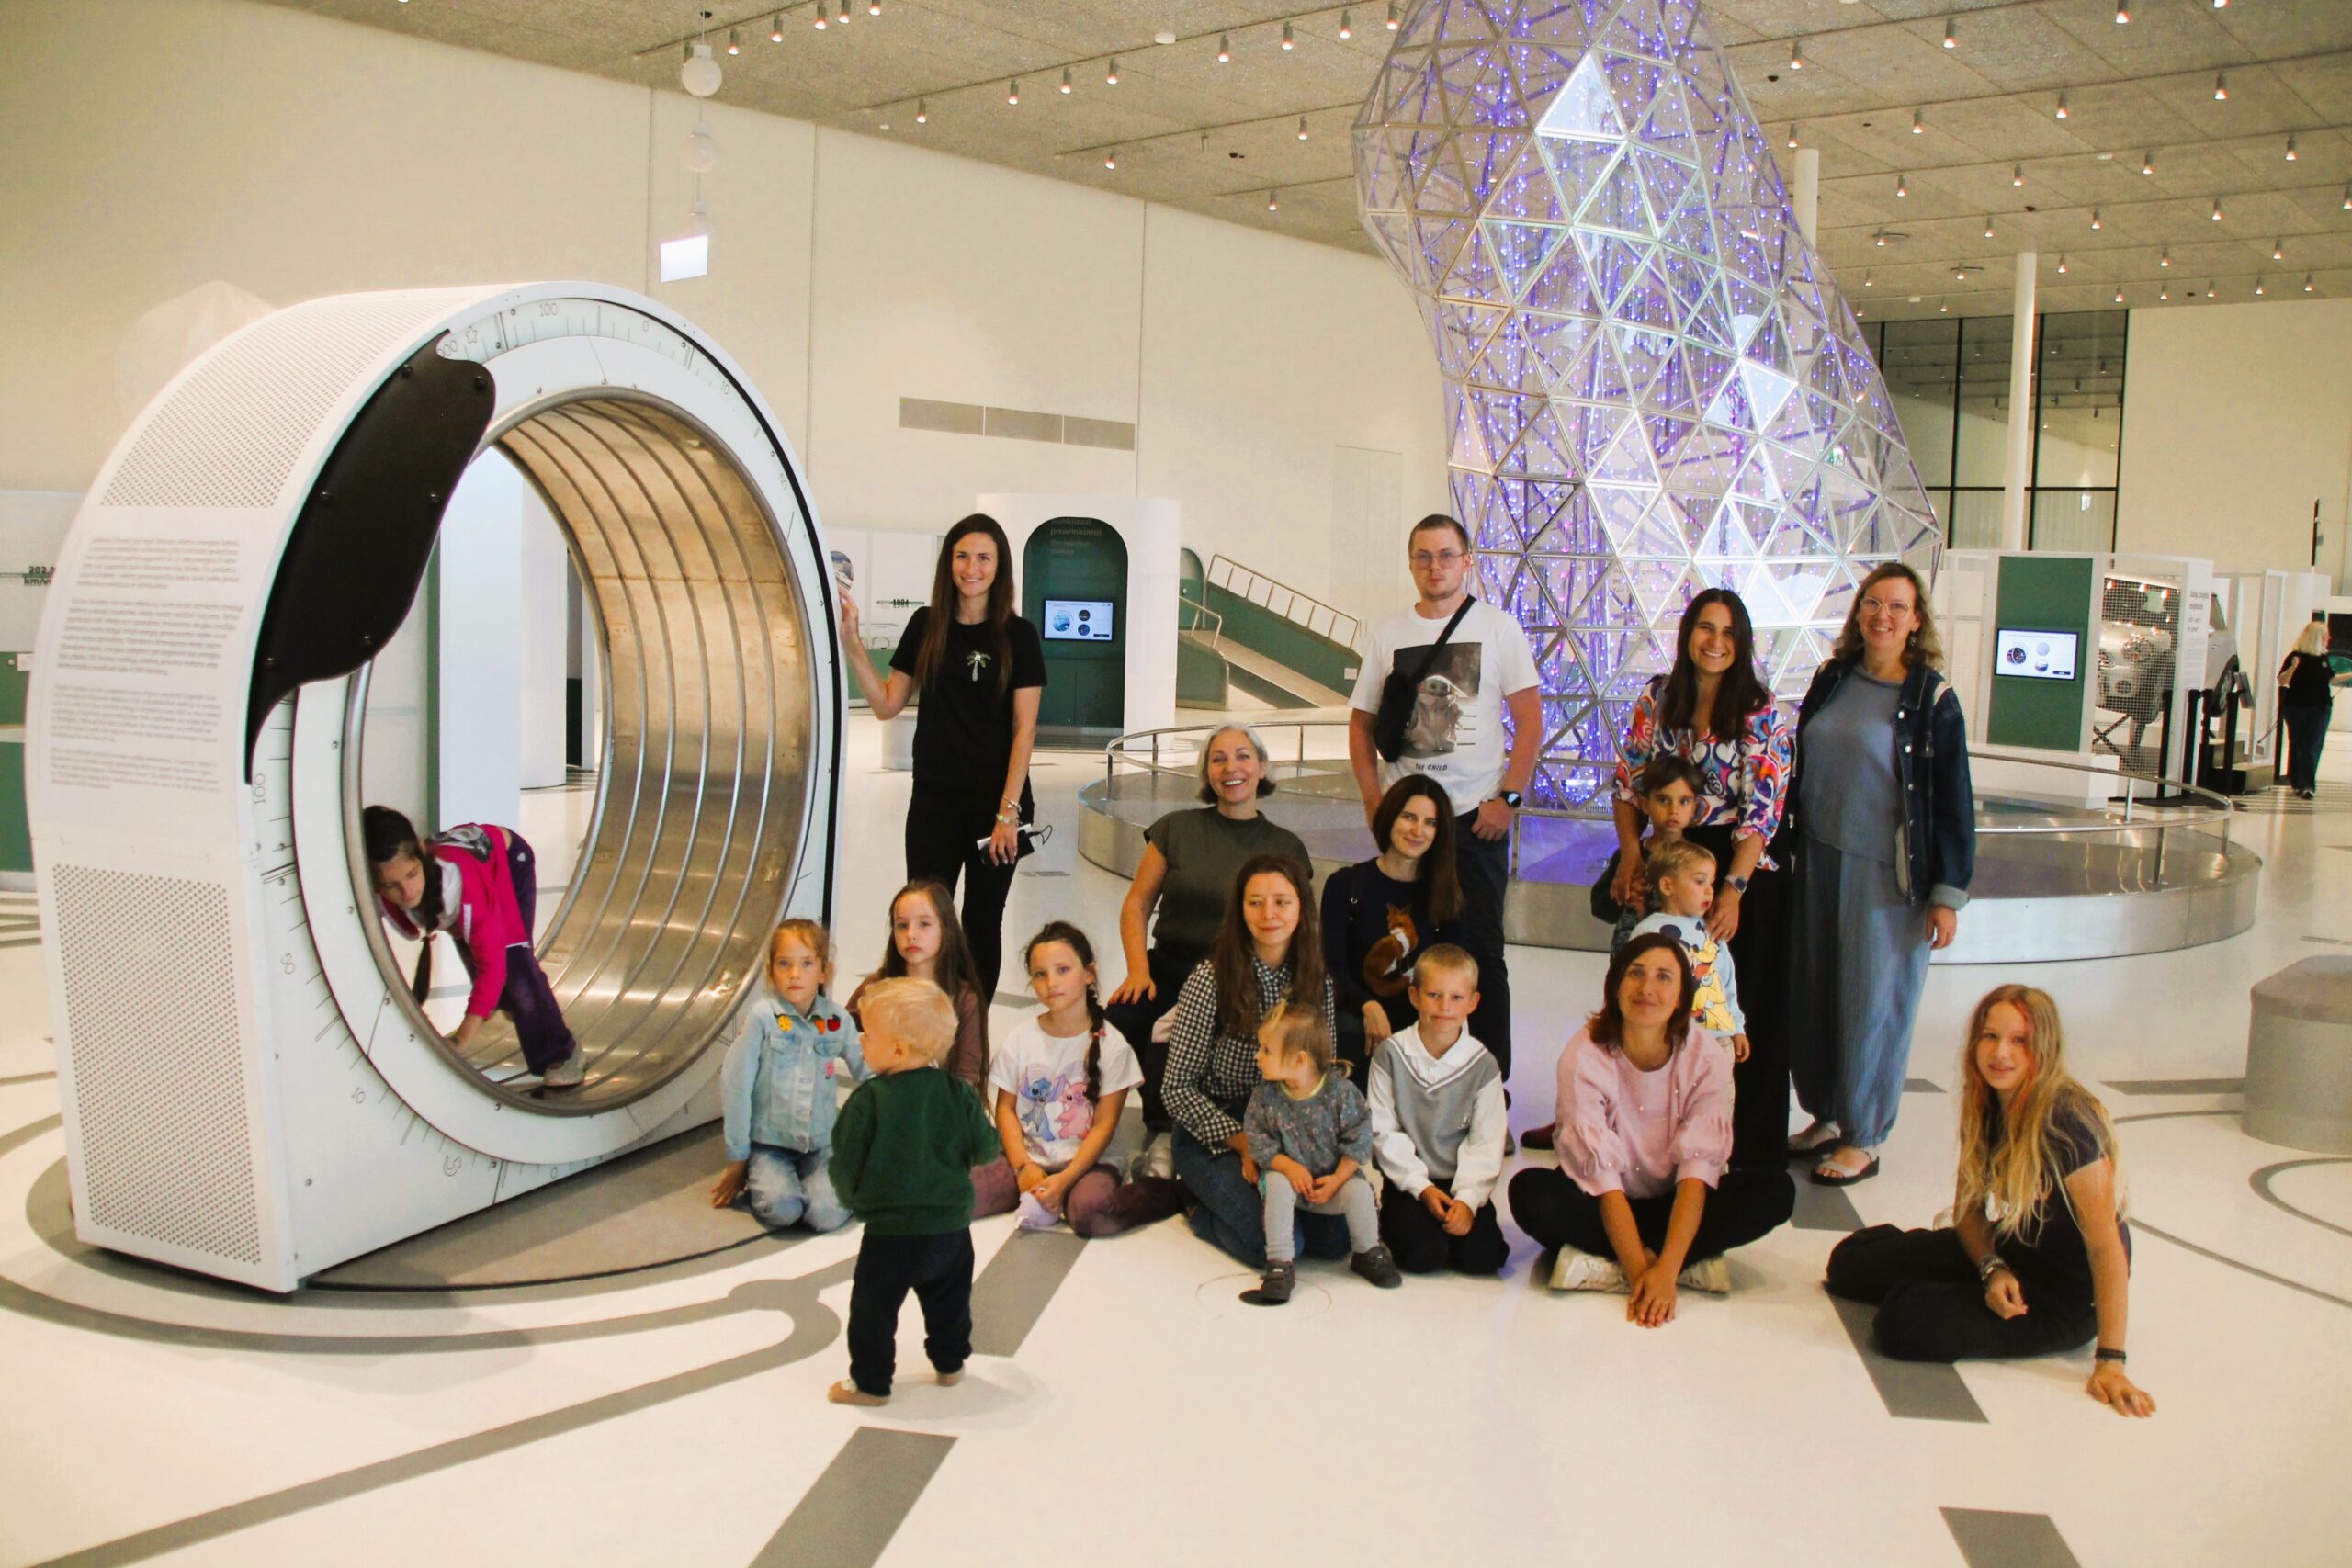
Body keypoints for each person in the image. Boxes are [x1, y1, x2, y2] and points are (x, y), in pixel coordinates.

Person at [1825, 986, 2154, 1417]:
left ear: (2044, 1048)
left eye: (2020, 1040)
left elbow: (2105, 1246)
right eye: (1990, 1036)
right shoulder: (1988, 1099)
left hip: (2063, 1298)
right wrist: (1991, 1268)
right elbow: (1968, 1208)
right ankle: (1948, 1285)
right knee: (1848, 1265)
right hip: (2017, 1245)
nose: (2001, 1053)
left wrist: (2112, 1361)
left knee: (1902, 1324)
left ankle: (1944, 1295)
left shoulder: (2069, 1122)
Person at [1782, 563, 1975, 1187]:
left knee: (1872, 1004)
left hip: (1886, 878)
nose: (1882, 616)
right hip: (1817, 858)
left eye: (1897, 606)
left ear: (1916, 620)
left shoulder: (1931, 699)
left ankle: (1864, 1134)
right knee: (1816, 996)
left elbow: (1953, 801)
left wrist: (1946, 895)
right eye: (1872, 602)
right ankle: (1826, 1114)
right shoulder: (1832, 678)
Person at [1508, 934, 1794, 1326]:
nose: (1647, 988)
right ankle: (1676, 1264)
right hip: (1604, 1202)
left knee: (1775, 1191)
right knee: (1530, 1193)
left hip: (1674, 1201)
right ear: (1615, 987)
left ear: (1680, 997)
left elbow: (1696, 1174)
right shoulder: (1584, 1055)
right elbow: (1603, 1182)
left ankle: (1618, 1265)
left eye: (1663, 977)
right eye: (1635, 973)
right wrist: (1645, 1271)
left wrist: (1665, 1270)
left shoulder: (1705, 1057)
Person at [1348, 513, 1540, 1088]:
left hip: (1475, 821)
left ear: (1467, 562)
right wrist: (1374, 802)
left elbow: (1530, 722)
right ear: (1411, 564)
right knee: (1410, 948)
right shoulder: (1389, 633)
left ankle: (1489, 1084)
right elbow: (1360, 725)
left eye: (1446, 555)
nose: (1435, 567)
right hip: (1411, 823)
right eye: (1424, 557)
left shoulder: (1499, 628)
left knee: (1480, 953)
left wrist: (1507, 799)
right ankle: (1411, 1079)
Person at [1608, 589, 1792, 1167]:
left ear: (1743, 643)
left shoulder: (1761, 711)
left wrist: (1731, 890)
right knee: (1649, 995)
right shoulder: (1659, 697)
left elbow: (1763, 811)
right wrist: (1631, 857)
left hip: (1736, 866)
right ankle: (1637, 1130)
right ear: (1688, 634)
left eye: (1728, 632)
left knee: (1732, 1004)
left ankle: (1743, 1147)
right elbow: (1628, 783)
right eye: (1705, 628)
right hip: (1664, 857)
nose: (1715, 642)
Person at [838, 513, 1045, 999]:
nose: (971, 568)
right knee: (925, 916)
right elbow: (887, 704)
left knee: (982, 922)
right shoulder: (926, 625)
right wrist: (852, 643)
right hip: (934, 801)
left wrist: (1008, 813)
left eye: (983, 558)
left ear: (1000, 567)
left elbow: (1025, 729)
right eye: (962, 556)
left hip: (997, 805)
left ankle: (971, 1029)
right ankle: (925, 1019)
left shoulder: (1018, 635)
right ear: (948, 562)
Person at [1106, 724, 1307, 1163]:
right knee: (1125, 1014)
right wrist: (1138, 970)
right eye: (1218, 759)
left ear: (1262, 767)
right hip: (1172, 968)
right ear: (1206, 772)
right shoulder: (1175, 829)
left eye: (1243, 756)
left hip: (1246, 978)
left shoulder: (1285, 846)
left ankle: (1229, 1121)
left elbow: (1300, 927)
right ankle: (1158, 1121)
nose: (1231, 767)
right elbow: (1136, 904)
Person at [826, 978, 1002, 1407]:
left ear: (898, 1049)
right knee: (950, 1304)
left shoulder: (869, 1100)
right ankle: (950, 1364)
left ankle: (870, 1384)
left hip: (891, 1236)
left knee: (873, 1310)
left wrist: (853, 1201)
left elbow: (845, 1163)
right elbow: (986, 1147)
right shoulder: (958, 1092)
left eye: (868, 1034)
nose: (860, 1040)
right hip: (952, 1232)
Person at [1162, 853, 1341, 1268]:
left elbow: (1324, 1077)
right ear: (1239, 909)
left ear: (1302, 907)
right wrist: (1246, 1142)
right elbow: (1176, 1089)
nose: (1268, 914)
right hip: (1219, 1129)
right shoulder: (1210, 979)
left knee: (1336, 1240)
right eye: (1255, 902)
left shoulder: (1317, 982)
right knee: (1277, 1245)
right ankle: (1195, 1203)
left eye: (1282, 901)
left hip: (1289, 1129)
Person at [971, 922, 1182, 1237]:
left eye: (1063, 970)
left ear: (1089, 974)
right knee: (960, 1194)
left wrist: (1065, 1180)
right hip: (1027, 1156)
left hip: (1088, 1164)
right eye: (1040, 974)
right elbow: (1005, 1110)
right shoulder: (1020, 1038)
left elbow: (1104, 1126)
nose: (1051, 982)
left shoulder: (1112, 1046)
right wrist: (1023, 1168)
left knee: (1091, 1214)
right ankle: (1038, 1189)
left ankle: (1161, 1189)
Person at [363, 807, 584, 1088]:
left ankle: (563, 1054)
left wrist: (461, 1039)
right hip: (465, 887)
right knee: (501, 990)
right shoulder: (382, 893)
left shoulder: (460, 887)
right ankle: (509, 1004)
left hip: (508, 863)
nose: (407, 892)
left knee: (516, 969)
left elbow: (493, 967)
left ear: (421, 853)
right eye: (391, 886)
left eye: (412, 874)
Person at [1238, 1001, 1402, 1305]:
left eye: (1266, 1050)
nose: (1257, 1056)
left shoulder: (1341, 1093)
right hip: (1289, 1183)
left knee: (1359, 1191)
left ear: (1299, 1059)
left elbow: (1359, 1140)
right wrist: (1287, 1166)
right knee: (1275, 1183)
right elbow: (1258, 1141)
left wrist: (1338, 1179)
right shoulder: (1265, 1096)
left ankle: (1367, 1251)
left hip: (1331, 1184)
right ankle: (1279, 1263)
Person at [709, 919, 864, 1232]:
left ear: (824, 972)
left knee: (826, 1215)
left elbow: (868, 1071)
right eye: (784, 964)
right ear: (771, 972)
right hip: (770, 1145)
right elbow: (736, 1086)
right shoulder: (762, 1018)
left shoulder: (837, 1020)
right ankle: (766, 1177)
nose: (795, 974)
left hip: (822, 1144)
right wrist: (738, 1159)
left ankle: (828, 1182)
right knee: (782, 1210)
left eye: (807, 964)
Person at [1366, 945, 1509, 1276]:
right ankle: (1397, 1221)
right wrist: (1422, 1188)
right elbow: (1383, 1130)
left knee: (1483, 1259)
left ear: (1473, 1002)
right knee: (1424, 1256)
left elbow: (1486, 1140)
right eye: (1434, 995)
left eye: (1457, 998)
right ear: (1414, 996)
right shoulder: (1391, 1055)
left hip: (1459, 1180)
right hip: (1410, 1183)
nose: (1445, 1007)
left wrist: (1468, 1199)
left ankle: (1456, 1221)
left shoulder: (1483, 1065)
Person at [1319, 773, 1466, 1076]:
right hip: (1356, 1025)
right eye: (1408, 817)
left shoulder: (1445, 893)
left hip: (1421, 1030)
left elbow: (1450, 975)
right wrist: (1369, 1006)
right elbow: (1332, 966)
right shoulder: (1345, 885)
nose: (1418, 831)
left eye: (1430, 822)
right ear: (1390, 817)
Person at [847, 881, 989, 1089]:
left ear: (946, 928)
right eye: (902, 925)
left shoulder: (965, 998)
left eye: (924, 924)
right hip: (883, 1100)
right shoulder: (878, 985)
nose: (911, 934)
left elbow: (966, 1077)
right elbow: (841, 1027)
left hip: (939, 1104)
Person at [1628, 838, 1748, 1061]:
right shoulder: (1648, 932)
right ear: (1667, 886)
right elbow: (1631, 983)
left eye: (1711, 883)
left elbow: (1726, 983)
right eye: (1699, 881)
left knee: (1719, 1085)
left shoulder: (1712, 930)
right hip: (1669, 1038)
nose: (1709, 891)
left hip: (1717, 1040)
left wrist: (1737, 1027)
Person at [1598, 754, 1703, 952]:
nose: (1673, 810)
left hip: (1679, 954)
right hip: (1630, 953)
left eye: (1683, 801)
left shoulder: (1698, 861)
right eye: (1663, 800)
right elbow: (1600, 907)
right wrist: (1623, 896)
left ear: (1694, 808)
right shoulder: (1630, 857)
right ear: (1645, 804)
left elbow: (1703, 912)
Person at [2278, 619, 2346, 799]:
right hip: (2297, 707)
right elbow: (2282, 681)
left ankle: (2307, 785)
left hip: (2321, 707)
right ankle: (2297, 781)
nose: (2329, 638)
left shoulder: (2322, 658)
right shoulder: (2295, 656)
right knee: (2298, 744)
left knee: (2311, 745)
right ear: (2316, 637)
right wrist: (2293, 668)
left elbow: (2331, 679)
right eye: (2325, 635)